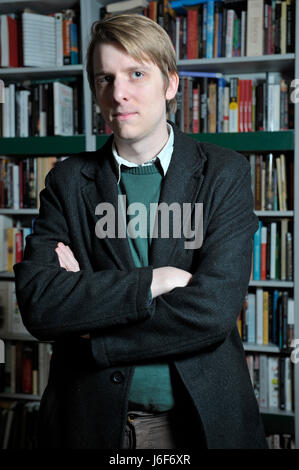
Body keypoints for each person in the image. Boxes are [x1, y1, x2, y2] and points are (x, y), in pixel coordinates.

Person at [14, 14, 267, 449]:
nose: (119, 93)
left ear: (170, 83)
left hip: (195, 424)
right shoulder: (67, 181)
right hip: (90, 423)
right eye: (105, 78)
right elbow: (40, 305)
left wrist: (93, 329)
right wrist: (155, 281)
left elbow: (213, 310)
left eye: (136, 73)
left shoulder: (223, 173)